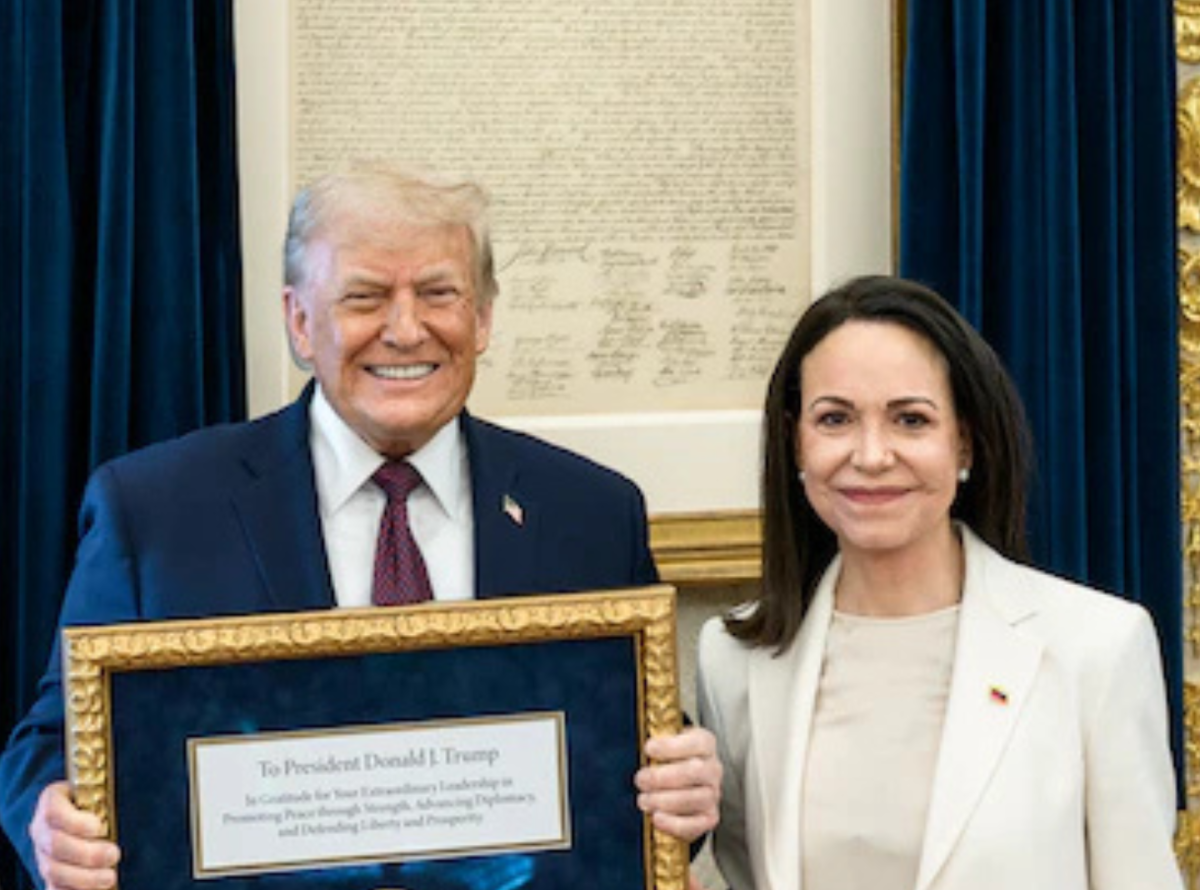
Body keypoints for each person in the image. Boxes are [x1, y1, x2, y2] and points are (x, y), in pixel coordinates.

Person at [0, 163, 720, 890]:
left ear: (484, 316)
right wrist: (49, 824)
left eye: (438, 293)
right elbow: (55, 739)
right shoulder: (155, 511)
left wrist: (685, 789)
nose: (406, 330)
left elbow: (631, 756)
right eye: (365, 297)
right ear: (300, 321)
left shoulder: (590, 512)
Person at [698, 275, 1183, 890]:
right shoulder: (733, 659)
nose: (871, 455)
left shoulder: (1097, 647)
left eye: (910, 420)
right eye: (835, 419)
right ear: (796, 441)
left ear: (966, 443)